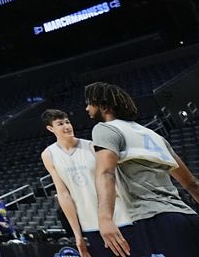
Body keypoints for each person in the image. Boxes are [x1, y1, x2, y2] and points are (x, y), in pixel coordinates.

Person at [86, 81, 199, 257]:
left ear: (104, 106)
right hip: (189, 218)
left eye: (89, 103)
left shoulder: (104, 129)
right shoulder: (154, 135)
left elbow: (106, 172)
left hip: (156, 220)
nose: (86, 109)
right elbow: (192, 184)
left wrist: (104, 218)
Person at [40, 108, 131, 257]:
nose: (67, 126)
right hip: (90, 224)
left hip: (118, 218)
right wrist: (78, 235)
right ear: (50, 128)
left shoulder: (92, 146)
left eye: (68, 122)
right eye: (60, 124)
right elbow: (64, 195)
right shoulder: (49, 155)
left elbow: (113, 181)